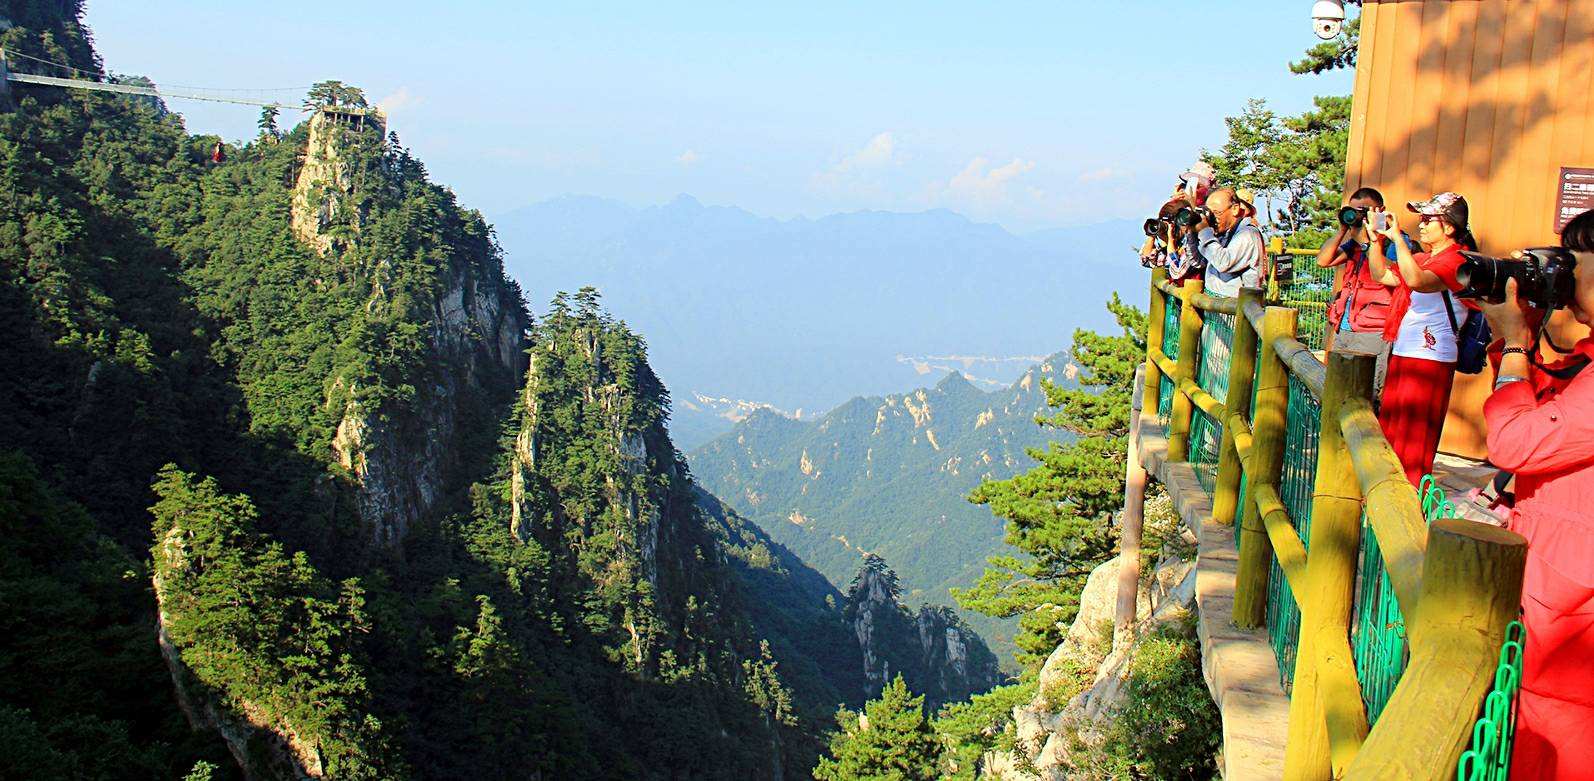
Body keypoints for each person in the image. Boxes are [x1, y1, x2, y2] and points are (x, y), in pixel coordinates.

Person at [1479, 208, 1594, 780]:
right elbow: (1550, 404)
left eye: (1576, 263)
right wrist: (1514, 342)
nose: (1567, 276)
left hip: (1575, 622)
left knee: (1555, 751)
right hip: (1560, 597)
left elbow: (1516, 443)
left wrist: (1520, 346)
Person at [1366, 192, 1475, 485]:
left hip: (1431, 357)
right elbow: (1382, 276)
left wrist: (1399, 241)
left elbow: (1417, 281)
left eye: (1429, 220)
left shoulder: (1457, 262)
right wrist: (1376, 242)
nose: (1422, 225)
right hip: (1405, 351)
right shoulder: (1423, 258)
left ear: (1449, 227)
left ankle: (1410, 504)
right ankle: (1385, 495)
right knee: (1391, 432)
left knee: (1414, 441)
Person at [1318, 187, 1409, 394]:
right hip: (1345, 326)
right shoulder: (1355, 243)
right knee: (1337, 389)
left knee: (1366, 392)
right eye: (1353, 210)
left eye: (1364, 210)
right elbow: (1323, 260)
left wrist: (1370, 245)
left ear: (1381, 210)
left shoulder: (1396, 241)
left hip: (1374, 330)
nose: (1358, 215)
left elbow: (1397, 274)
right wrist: (1342, 230)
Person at [1189, 187, 1264, 298]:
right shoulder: (1223, 233)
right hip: (1217, 308)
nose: (1212, 218)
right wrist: (1192, 231)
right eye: (1209, 213)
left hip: (1235, 310)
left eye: (1217, 213)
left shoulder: (1248, 234)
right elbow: (1198, 261)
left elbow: (1224, 262)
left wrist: (1204, 232)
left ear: (1235, 209)